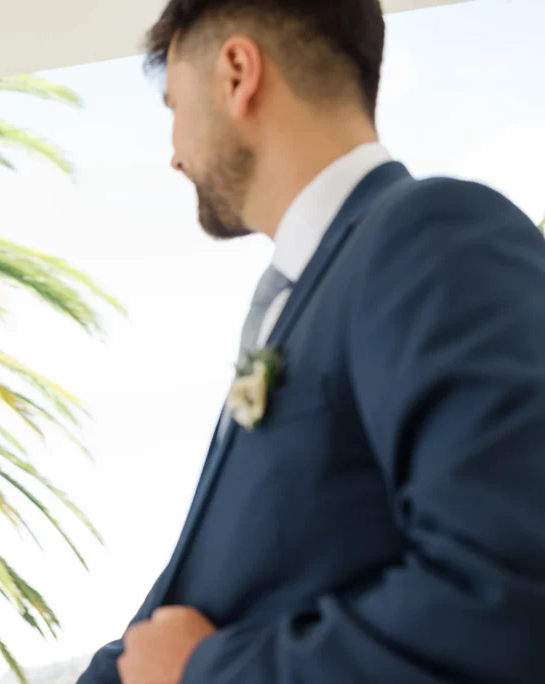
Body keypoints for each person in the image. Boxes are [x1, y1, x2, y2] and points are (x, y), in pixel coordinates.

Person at [79, 1, 545, 682]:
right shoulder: (305, 295)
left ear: (238, 73)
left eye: (175, 105)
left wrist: (207, 672)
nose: (174, 155)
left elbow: (510, 597)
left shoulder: (434, 233)